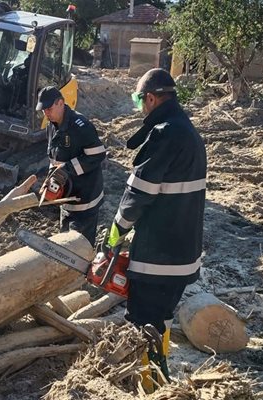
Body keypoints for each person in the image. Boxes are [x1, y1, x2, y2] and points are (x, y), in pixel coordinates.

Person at [107, 68, 207, 385]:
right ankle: (161, 381)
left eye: (140, 101)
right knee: (160, 321)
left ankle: (149, 386)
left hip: (157, 258)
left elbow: (137, 194)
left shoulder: (165, 134)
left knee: (142, 323)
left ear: (151, 98)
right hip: (182, 255)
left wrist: (115, 233)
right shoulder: (188, 132)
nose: (140, 108)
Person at [36, 86, 106, 246]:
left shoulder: (81, 126)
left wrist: (67, 170)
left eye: (49, 108)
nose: (46, 113)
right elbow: (54, 158)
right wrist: (51, 179)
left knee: (81, 246)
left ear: (60, 103)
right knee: (64, 243)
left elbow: (97, 155)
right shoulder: (51, 126)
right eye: (43, 110)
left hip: (85, 197)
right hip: (67, 197)